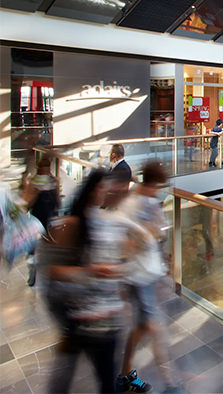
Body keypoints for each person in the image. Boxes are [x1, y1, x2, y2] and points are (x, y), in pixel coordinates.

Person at [39, 169, 124, 394]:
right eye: (102, 188)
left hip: (101, 318)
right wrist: (91, 272)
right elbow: (53, 271)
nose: (106, 192)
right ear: (92, 190)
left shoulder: (100, 220)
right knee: (80, 379)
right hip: (83, 318)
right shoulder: (72, 224)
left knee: (100, 379)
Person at [116, 161, 178, 394]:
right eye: (157, 187)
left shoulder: (149, 201)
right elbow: (126, 243)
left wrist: (162, 253)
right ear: (150, 183)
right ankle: (170, 385)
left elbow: (156, 232)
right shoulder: (131, 205)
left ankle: (124, 375)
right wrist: (146, 237)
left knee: (143, 327)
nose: (158, 192)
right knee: (155, 328)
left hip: (147, 274)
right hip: (138, 276)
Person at [26, 156, 60, 286]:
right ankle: (40, 272)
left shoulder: (34, 182)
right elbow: (57, 201)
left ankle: (35, 272)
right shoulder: (52, 181)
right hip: (47, 218)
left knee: (34, 248)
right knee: (45, 246)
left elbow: (28, 204)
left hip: (38, 218)